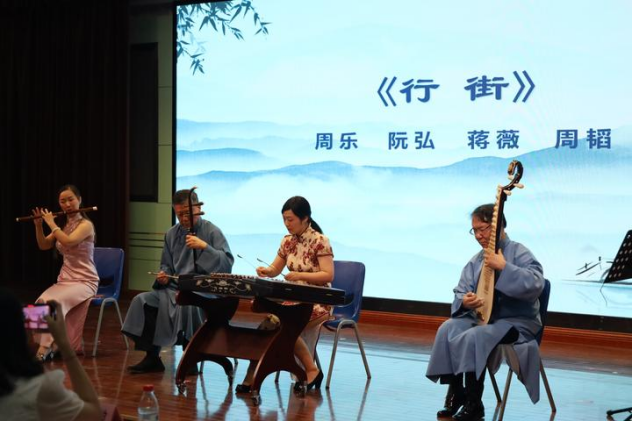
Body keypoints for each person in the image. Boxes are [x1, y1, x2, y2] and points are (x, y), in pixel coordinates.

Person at [426, 204, 545, 421]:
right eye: (475, 231)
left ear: (499, 226)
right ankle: (456, 393)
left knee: (475, 335)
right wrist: (465, 301)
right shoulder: (477, 260)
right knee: (448, 328)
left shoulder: (519, 252)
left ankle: (474, 403)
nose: (479, 236)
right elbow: (461, 291)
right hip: (484, 319)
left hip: (516, 322)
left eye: (483, 229)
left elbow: (537, 283)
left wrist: (505, 267)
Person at [122, 189, 234, 374]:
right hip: (175, 288)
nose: (183, 219)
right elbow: (166, 264)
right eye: (179, 214)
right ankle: (152, 357)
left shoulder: (212, 231)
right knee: (142, 301)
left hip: (204, 291)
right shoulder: (171, 234)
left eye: (187, 213)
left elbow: (227, 263)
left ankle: (191, 358)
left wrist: (204, 247)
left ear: (197, 208)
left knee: (189, 305)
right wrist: (164, 275)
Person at [236, 196, 334, 393]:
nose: (287, 224)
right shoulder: (287, 241)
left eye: (290, 219)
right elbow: (275, 268)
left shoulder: (320, 241)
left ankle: (310, 370)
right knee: (266, 327)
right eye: (284, 220)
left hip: (316, 300)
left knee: (283, 325)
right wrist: (266, 271)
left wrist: (299, 275)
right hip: (292, 298)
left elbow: (328, 274)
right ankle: (252, 375)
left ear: (305, 218)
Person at [0, 290, 102, 421]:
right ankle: (46, 347)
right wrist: (64, 345)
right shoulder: (40, 388)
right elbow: (94, 414)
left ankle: (45, 348)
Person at [31, 185, 99, 361]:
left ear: (79, 200)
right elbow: (44, 245)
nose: (67, 204)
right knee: (40, 302)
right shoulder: (63, 225)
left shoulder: (86, 225)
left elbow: (68, 241)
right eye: (63, 201)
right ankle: (52, 345)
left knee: (54, 303)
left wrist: (51, 223)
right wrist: (39, 226)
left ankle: (44, 348)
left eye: (71, 200)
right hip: (65, 280)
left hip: (85, 280)